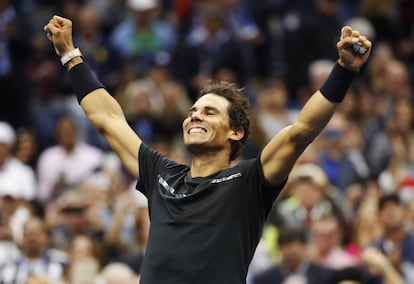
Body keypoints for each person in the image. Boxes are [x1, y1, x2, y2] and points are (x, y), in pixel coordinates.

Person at [44, 14, 372, 283]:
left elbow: (301, 130)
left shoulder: (250, 181)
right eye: (192, 112)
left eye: (209, 112)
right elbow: (107, 119)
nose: (195, 116)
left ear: (236, 131)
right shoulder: (162, 174)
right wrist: (70, 55)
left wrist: (343, 71)